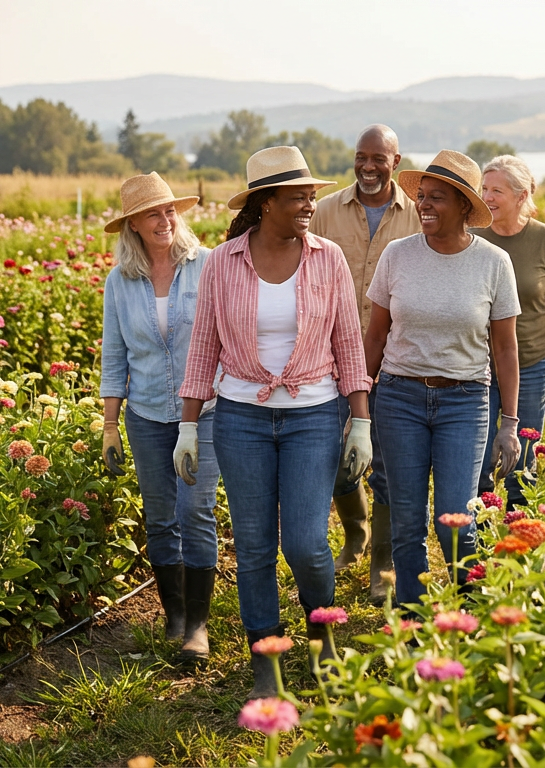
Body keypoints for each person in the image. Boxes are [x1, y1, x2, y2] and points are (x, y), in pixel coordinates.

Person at [178, 146, 373, 699]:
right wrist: (189, 426)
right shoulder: (223, 262)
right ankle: (265, 652)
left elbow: (347, 343)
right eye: (299, 196)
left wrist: (359, 419)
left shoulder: (327, 258)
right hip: (240, 418)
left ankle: (322, 632)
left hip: (314, 413)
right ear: (267, 202)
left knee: (308, 542)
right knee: (256, 543)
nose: (311, 203)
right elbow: (203, 349)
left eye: (312, 194)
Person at [362, 149, 521, 607]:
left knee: (456, 518)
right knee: (407, 518)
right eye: (422, 196)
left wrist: (508, 423)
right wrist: (356, 407)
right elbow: (376, 335)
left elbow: (506, 348)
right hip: (399, 398)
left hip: (465, 401)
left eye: (437, 198)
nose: (424, 205)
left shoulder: (493, 263)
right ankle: (411, 620)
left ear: (465, 207)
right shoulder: (398, 255)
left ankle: (468, 613)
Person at [99, 172, 221, 663]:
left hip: (205, 410)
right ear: (133, 224)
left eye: (170, 210)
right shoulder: (120, 281)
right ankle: (173, 615)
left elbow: (226, 337)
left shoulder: (207, 266)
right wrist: (111, 423)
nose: (165, 219)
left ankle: (198, 624)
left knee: (196, 511)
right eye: (153, 212)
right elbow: (114, 355)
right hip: (147, 414)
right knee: (160, 516)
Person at [308, 124, 422, 602]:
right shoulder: (326, 211)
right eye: (361, 156)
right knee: (333, 460)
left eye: (379, 157)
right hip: (330, 358)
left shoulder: (417, 216)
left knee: (388, 466)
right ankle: (354, 535)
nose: (368, 166)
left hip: (395, 359)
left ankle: (382, 562)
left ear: (395, 162)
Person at [472, 154, 545, 510]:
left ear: (521, 196)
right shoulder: (473, 239)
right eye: (484, 188)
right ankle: (480, 535)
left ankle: (519, 533)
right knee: (480, 457)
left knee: (523, 459)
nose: (487, 196)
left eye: (497, 190)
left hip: (532, 363)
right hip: (480, 366)